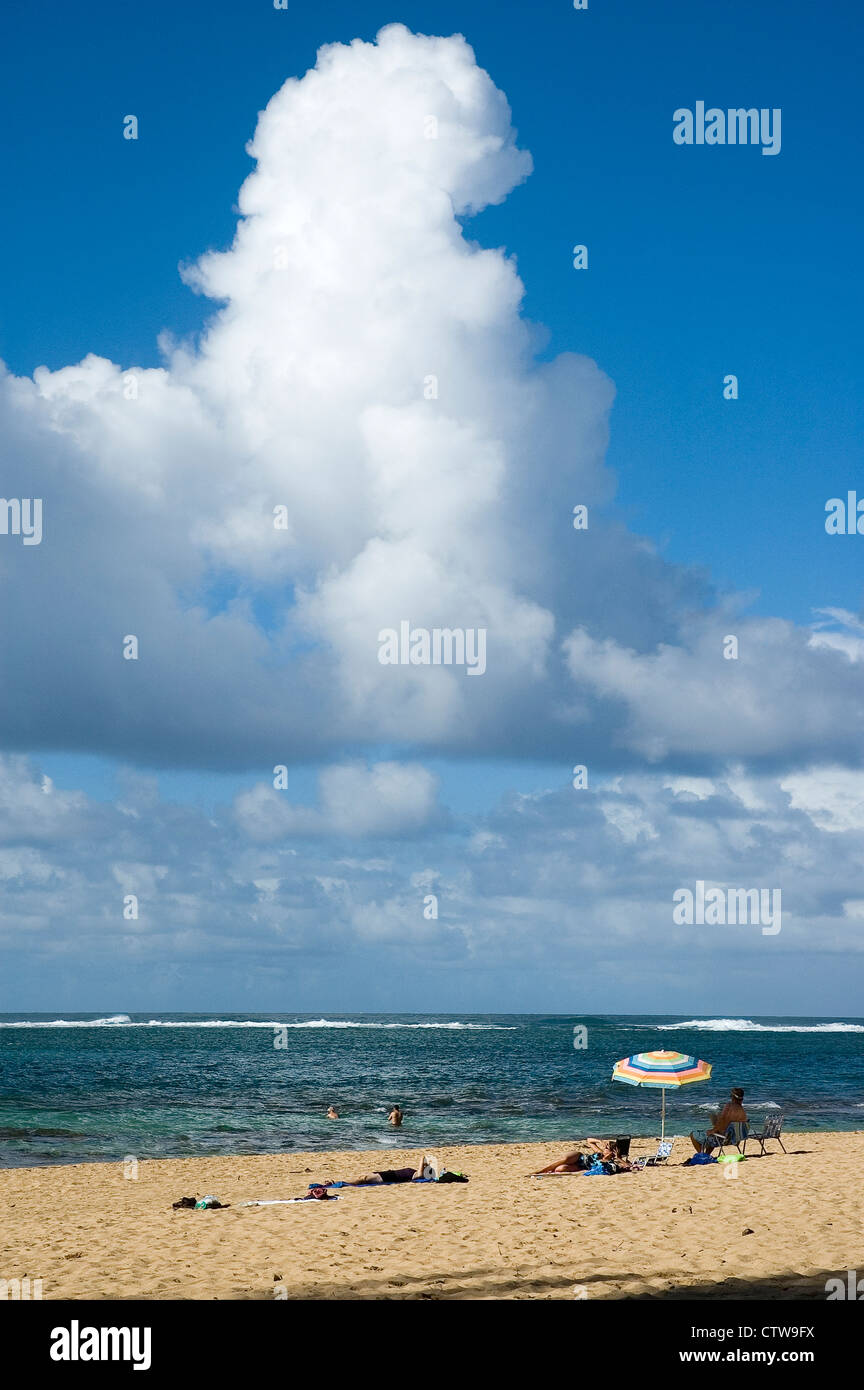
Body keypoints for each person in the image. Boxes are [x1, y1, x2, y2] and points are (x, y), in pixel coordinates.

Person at [690, 1087, 748, 1152]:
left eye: (731, 1096)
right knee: (714, 1134)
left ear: (733, 1097)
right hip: (735, 1140)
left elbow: (721, 1124)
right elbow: (726, 1123)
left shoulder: (729, 1106)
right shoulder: (742, 1111)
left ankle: (701, 1155)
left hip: (724, 1140)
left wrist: (713, 1130)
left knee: (693, 1134)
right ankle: (706, 1154)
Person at [531, 1139, 629, 1175]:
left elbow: (628, 1166)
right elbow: (589, 1140)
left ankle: (551, 1169)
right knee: (565, 1159)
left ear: (612, 1151)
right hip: (579, 1157)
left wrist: (618, 1157)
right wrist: (600, 1141)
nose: (604, 1148)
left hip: (581, 1166)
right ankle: (541, 1171)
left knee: (560, 1169)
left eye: (607, 1148)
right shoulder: (599, 1152)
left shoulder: (611, 1161)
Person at [322, 1155, 431, 1186]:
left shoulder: (417, 1175)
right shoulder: (414, 1171)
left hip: (389, 1177)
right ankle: (339, 1182)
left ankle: (338, 1183)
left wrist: (422, 1159)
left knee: (363, 1179)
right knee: (362, 1177)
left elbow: (421, 1173)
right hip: (387, 1174)